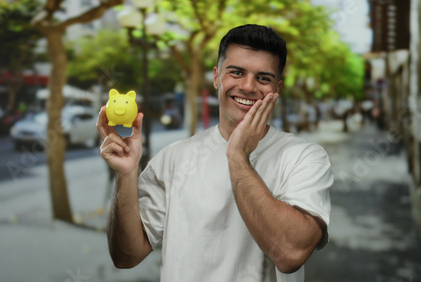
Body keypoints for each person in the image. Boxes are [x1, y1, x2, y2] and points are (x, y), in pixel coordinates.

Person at [97, 24, 333, 282]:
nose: (247, 86)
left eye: (263, 78)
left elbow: (289, 254)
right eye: (236, 72)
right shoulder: (174, 158)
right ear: (216, 76)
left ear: (277, 88)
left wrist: (237, 156)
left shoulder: (305, 157)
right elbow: (125, 256)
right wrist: (127, 174)